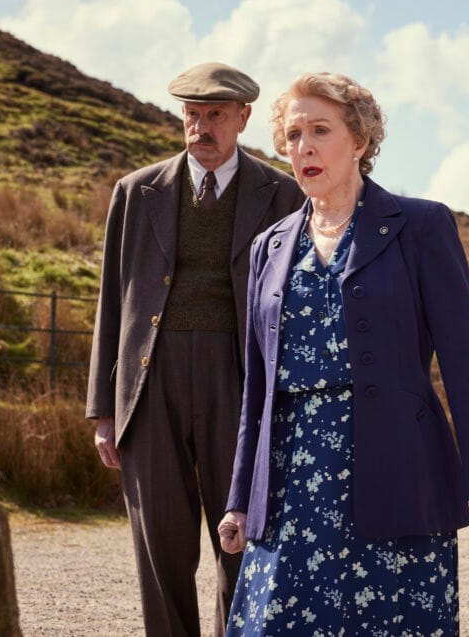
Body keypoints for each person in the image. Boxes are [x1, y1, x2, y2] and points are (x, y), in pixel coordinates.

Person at [217, 72, 469, 635]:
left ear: (359, 140)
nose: (302, 146)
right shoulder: (269, 246)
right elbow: (256, 389)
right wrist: (240, 497)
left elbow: (466, 360)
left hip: (398, 469)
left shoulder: (422, 226)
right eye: (293, 133)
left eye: (320, 131)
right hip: (292, 480)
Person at [85, 62, 304, 636]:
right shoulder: (136, 192)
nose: (201, 127)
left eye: (215, 116)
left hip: (242, 380)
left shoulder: (282, 193)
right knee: (160, 542)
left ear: (243, 118)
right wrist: (103, 410)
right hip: (150, 382)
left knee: (243, 537)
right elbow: (113, 301)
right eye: (192, 115)